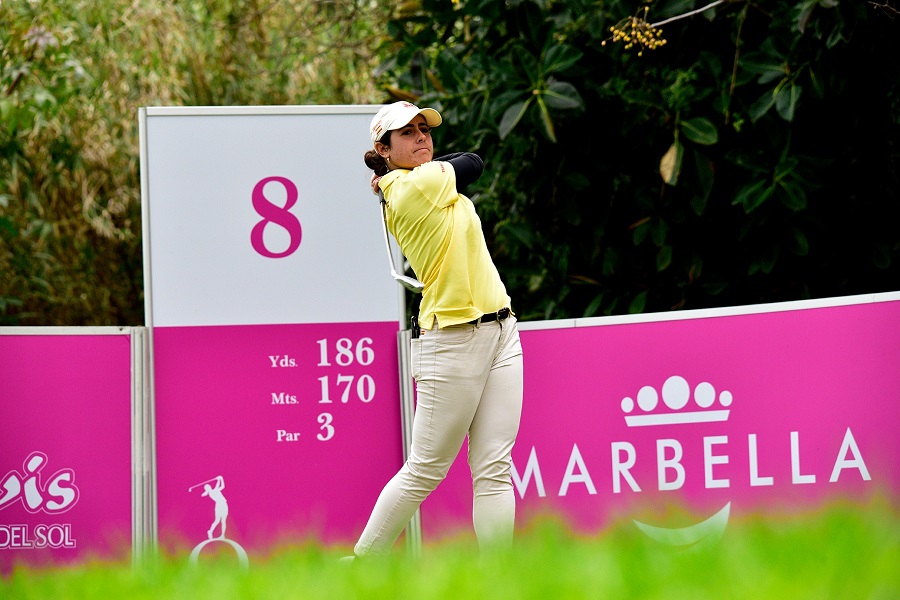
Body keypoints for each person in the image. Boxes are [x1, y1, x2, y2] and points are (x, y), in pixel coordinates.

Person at [347, 101, 524, 559]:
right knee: (425, 469)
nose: (422, 137)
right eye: (407, 133)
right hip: (452, 339)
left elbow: (462, 165)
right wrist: (430, 167)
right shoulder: (411, 188)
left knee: (494, 468)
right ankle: (363, 561)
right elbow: (473, 162)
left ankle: (500, 576)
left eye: (424, 129)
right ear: (383, 150)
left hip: (501, 331)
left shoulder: (421, 180)